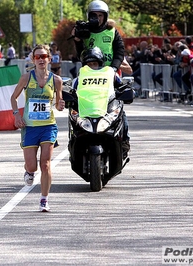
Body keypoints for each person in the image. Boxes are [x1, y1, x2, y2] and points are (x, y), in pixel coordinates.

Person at [10, 44, 65, 212]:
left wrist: (61, 104)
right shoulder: (26, 78)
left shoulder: (56, 80)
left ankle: (44, 199)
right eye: (37, 57)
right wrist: (17, 116)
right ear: (33, 60)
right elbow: (14, 97)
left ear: (49, 58)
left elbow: (58, 103)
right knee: (32, 166)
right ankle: (29, 172)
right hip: (30, 126)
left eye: (44, 57)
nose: (41, 60)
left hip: (48, 125)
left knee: (46, 164)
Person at [71, 0, 129, 157]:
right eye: (94, 15)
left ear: (105, 16)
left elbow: (119, 51)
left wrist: (114, 69)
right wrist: (77, 39)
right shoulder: (85, 31)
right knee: (77, 103)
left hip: (109, 75)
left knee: (118, 107)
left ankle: (124, 140)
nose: (97, 18)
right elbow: (80, 54)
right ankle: (76, 138)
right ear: (89, 16)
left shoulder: (112, 31)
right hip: (90, 74)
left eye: (100, 15)